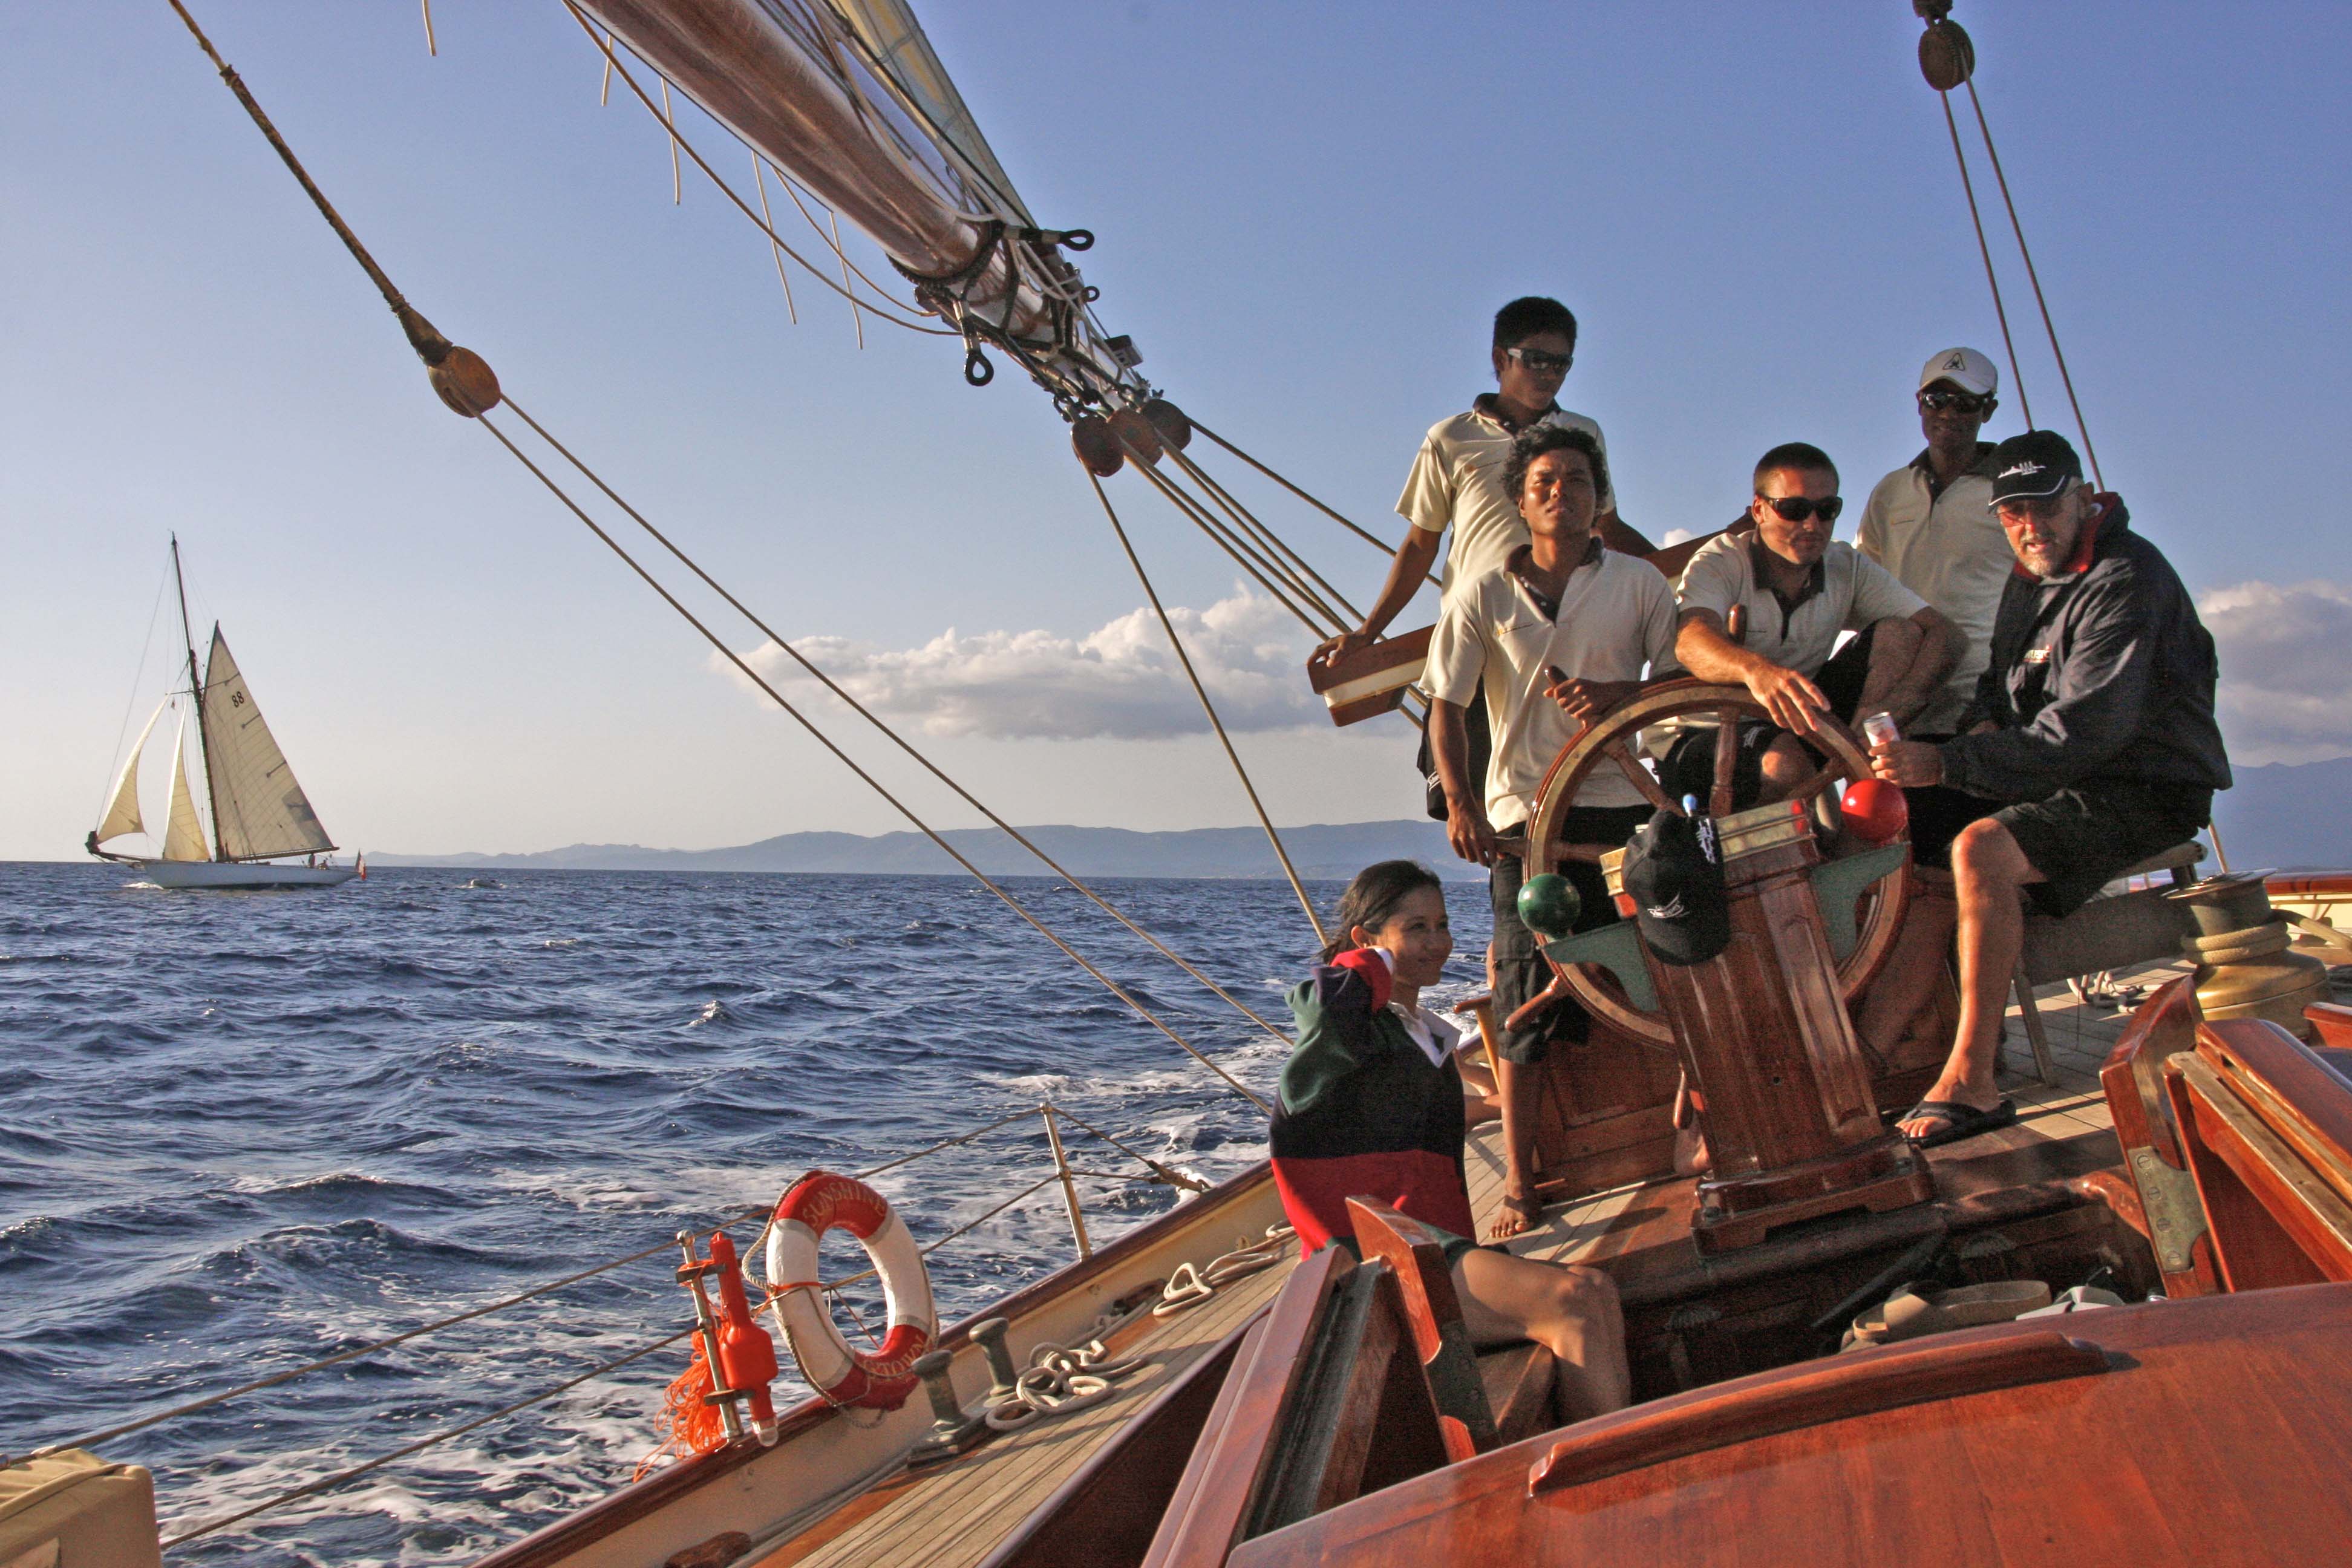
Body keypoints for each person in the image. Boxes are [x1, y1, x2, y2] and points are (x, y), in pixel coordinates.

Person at [1866, 431, 2231, 1145]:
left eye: (2044, 506)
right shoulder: (2030, 577)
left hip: (2146, 784)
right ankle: (1878, 1064)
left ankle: (1971, 1080)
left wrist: (1949, 765)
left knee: (1981, 852)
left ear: (2082, 497)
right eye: (2013, 513)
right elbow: (2003, 691)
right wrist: (1970, 734)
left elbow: (2084, 734)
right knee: (1906, 832)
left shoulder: (2127, 580)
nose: (2030, 526)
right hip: (2064, 776)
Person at [1424, 425, 1679, 1240]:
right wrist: (1462, 804)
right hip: (1525, 815)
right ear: (1519, 500)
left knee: (1674, 965)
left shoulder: (1641, 584)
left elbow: (1678, 680)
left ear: (1600, 494)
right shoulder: (1482, 594)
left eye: (1575, 479)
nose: (1559, 492)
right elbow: (1448, 709)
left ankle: (1692, 1133)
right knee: (1523, 996)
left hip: (1619, 800)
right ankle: (1524, 1184)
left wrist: (1619, 696)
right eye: (1543, 482)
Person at [1271, 860, 1631, 1420]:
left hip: (1429, 1250)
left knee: (1597, 1289)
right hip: (1370, 1268)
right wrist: (1365, 963)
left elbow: (1416, 1116)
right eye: (1416, 929)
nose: (1438, 942)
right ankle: (1599, 1482)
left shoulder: (1412, 1033)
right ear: (1369, 941)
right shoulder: (1343, 1029)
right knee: (1574, 1304)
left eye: (1441, 925)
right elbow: (1321, 1007)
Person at [1311, 297, 1653, 812]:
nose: (1550, 374)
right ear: (1500, 360)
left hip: (1562, 628)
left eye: (1561, 363)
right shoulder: (1451, 438)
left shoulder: (1583, 436)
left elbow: (1607, 526)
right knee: (1467, 795)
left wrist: (1686, 566)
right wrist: (1368, 631)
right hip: (1477, 629)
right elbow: (1420, 543)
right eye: (1536, 359)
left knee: (1565, 789)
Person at [1665, 442, 1965, 805]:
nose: (1812, 524)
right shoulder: (1722, 560)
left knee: (1901, 634)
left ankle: (1860, 777)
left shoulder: (1846, 566)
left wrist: (1892, 710)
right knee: (1786, 764)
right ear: (1759, 510)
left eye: (1827, 510)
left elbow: (1944, 634)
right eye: (1794, 509)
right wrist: (1756, 670)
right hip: (1704, 731)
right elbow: (1692, 640)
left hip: (1800, 722)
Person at [1856, 348, 2013, 736]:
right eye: (1936, 400)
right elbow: (1862, 588)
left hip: (1981, 704)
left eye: (1964, 403)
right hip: (1899, 706)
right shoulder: (1890, 491)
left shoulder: (2012, 493)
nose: (1948, 413)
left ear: (1988, 410)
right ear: (1919, 404)